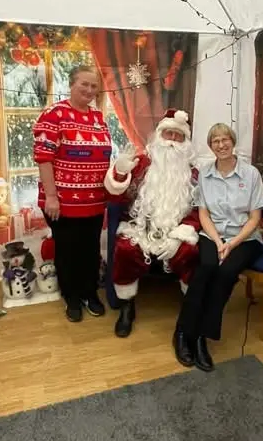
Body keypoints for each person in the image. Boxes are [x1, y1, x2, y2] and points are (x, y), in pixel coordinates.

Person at [175, 123, 263, 372]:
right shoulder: (204, 174)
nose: (221, 144)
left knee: (226, 274)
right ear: (210, 146)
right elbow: (203, 213)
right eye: (215, 141)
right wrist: (218, 242)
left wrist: (232, 244)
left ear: (233, 141)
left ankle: (202, 337)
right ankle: (184, 332)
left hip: (244, 238)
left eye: (225, 139)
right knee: (205, 267)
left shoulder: (251, 174)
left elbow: (255, 218)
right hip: (212, 234)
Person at [105, 109, 199, 338]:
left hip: (174, 233)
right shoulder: (142, 163)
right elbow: (116, 198)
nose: (172, 142)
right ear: (159, 136)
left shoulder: (192, 173)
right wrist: (119, 173)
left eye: (179, 137)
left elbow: (199, 210)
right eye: (169, 134)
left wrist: (181, 234)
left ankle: (190, 307)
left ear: (186, 142)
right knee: (125, 250)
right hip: (140, 229)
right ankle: (127, 307)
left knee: (190, 252)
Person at [32, 65, 112, 322]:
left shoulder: (98, 118)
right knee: (67, 251)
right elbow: (44, 158)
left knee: (90, 250)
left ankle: (90, 293)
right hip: (63, 202)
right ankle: (72, 297)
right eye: (84, 84)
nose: (89, 90)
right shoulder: (54, 114)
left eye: (93, 86)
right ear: (71, 84)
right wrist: (52, 197)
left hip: (95, 201)